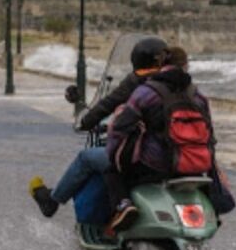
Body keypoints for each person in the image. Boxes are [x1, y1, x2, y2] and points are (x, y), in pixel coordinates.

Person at [28, 37, 168, 218]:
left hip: (145, 157)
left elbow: (108, 104)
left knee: (86, 157)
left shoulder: (138, 82)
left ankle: (52, 201)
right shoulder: (180, 84)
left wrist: (86, 121)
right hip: (180, 158)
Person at [104, 46, 214, 232]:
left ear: (160, 65)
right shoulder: (198, 96)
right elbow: (210, 135)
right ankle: (213, 213)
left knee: (111, 170)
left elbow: (120, 128)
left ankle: (123, 206)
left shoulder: (147, 92)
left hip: (156, 165)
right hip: (196, 165)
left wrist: (112, 153)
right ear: (186, 65)